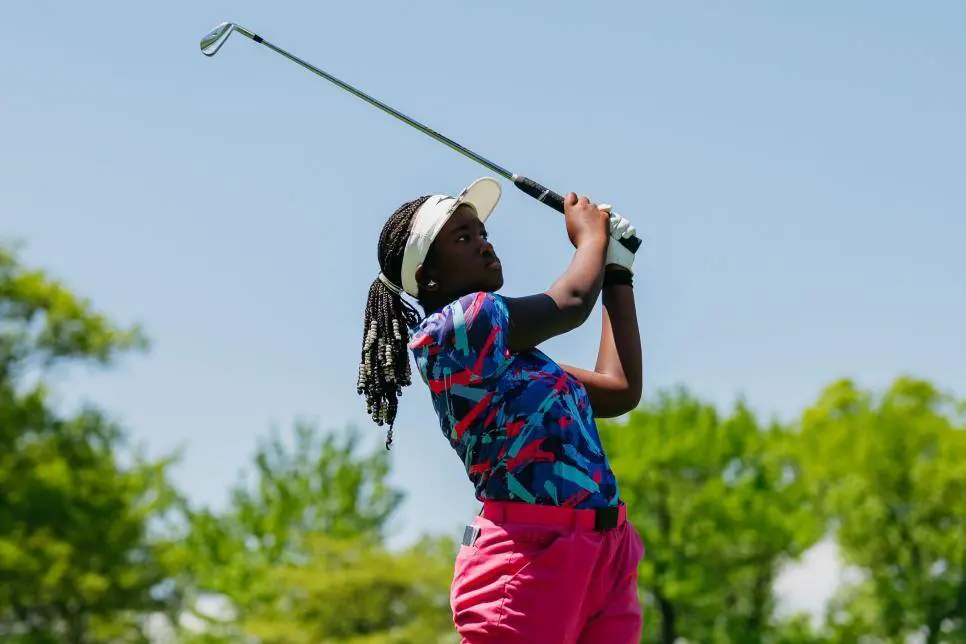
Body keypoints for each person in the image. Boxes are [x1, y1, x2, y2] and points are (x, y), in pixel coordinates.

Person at [356, 177, 645, 643]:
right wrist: (590, 238)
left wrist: (617, 272)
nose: (484, 244)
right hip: (527, 559)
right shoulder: (455, 328)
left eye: (482, 233)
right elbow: (570, 302)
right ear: (429, 277)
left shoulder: (516, 359)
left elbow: (619, 389)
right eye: (463, 238)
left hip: (603, 552)